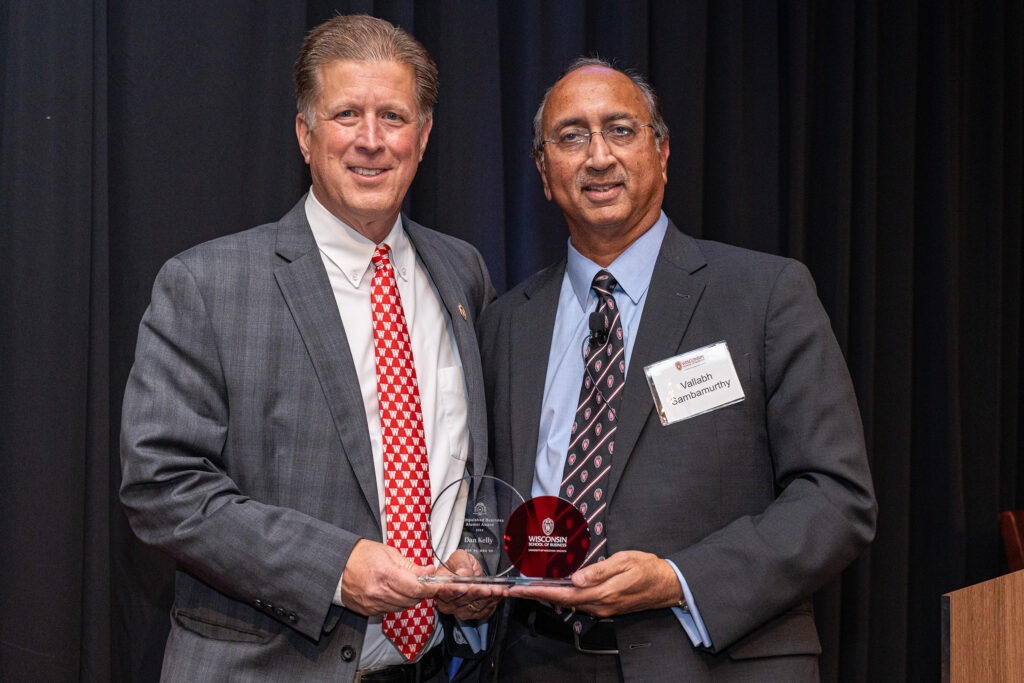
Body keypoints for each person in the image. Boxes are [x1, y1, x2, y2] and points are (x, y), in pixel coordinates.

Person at [120, 15, 501, 682]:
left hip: (439, 666)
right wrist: (334, 567)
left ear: (426, 135)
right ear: (305, 133)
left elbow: (473, 464)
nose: (372, 141)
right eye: (347, 113)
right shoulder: (206, 284)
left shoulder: (462, 270)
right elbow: (162, 486)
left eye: (394, 115)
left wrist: (475, 555)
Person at [478, 57, 877, 681]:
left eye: (621, 130)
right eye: (572, 136)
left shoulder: (765, 295)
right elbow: (491, 496)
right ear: (544, 170)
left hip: (713, 661)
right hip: (538, 660)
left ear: (661, 151)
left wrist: (677, 579)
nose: (598, 157)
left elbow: (836, 499)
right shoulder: (504, 323)